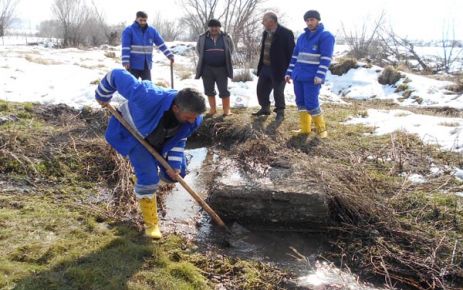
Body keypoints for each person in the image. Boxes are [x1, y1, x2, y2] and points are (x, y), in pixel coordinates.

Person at [95, 69, 206, 239]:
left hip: (162, 140)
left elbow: (179, 139)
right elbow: (116, 74)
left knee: (178, 174)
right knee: (148, 177)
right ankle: (151, 225)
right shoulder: (147, 95)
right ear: (176, 108)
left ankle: (147, 189)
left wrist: (174, 166)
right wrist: (102, 95)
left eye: (195, 117)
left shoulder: (194, 118)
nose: (193, 120)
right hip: (134, 134)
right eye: (189, 116)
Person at [285, 10, 335, 138]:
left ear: (318, 20)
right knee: (300, 102)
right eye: (307, 20)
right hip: (298, 76)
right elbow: (295, 56)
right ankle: (305, 129)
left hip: (312, 78)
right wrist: (289, 72)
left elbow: (326, 58)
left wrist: (320, 75)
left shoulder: (326, 36)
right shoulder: (302, 37)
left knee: (311, 103)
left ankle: (321, 130)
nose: (309, 22)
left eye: (312, 20)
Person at [253, 11, 295, 122]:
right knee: (261, 89)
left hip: (279, 69)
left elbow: (292, 53)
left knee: (278, 91)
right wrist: (261, 66)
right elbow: (264, 50)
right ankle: (265, 108)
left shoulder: (286, 33)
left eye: (264, 20)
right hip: (265, 67)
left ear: (271, 21)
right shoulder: (265, 33)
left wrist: (290, 71)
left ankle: (280, 112)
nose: (262, 23)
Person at [195, 19, 235, 117]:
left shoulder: (226, 37)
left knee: (224, 90)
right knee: (209, 90)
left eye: (216, 27)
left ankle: (226, 110)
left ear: (219, 27)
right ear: (208, 28)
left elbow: (231, 50)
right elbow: (198, 50)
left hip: (222, 69)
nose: (213, 29)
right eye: (211, 27)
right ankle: (213, 110)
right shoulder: (202, 37)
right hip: (207, 69)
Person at [121, 11, 174, 81]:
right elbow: (125, 47)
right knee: (131, 87)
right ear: (136, 19)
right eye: (141, 20)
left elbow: (161, 44)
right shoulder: (129, 30)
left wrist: (169, 55)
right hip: (132, 65)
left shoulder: (152, 31)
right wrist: (125, 61)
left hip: (146, 65)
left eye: (144, 20)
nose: (143, 22)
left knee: (148, 88)